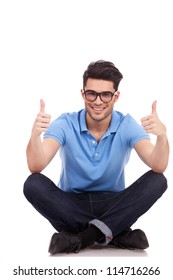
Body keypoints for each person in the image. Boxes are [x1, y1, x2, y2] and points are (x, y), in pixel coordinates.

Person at [24, 60, 169, 255]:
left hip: (114, 205)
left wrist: (162, 136)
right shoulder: (65, 123)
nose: (98, 101)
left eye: (105, 95)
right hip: (70, 205)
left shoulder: (126, 124)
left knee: (158, 181)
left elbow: (158, 165)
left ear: (116, 96)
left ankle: (82, 237)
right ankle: (115, 234)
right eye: (91, 93)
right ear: (83, 94)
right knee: (32, 183)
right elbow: (36, 166)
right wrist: (34, 136)